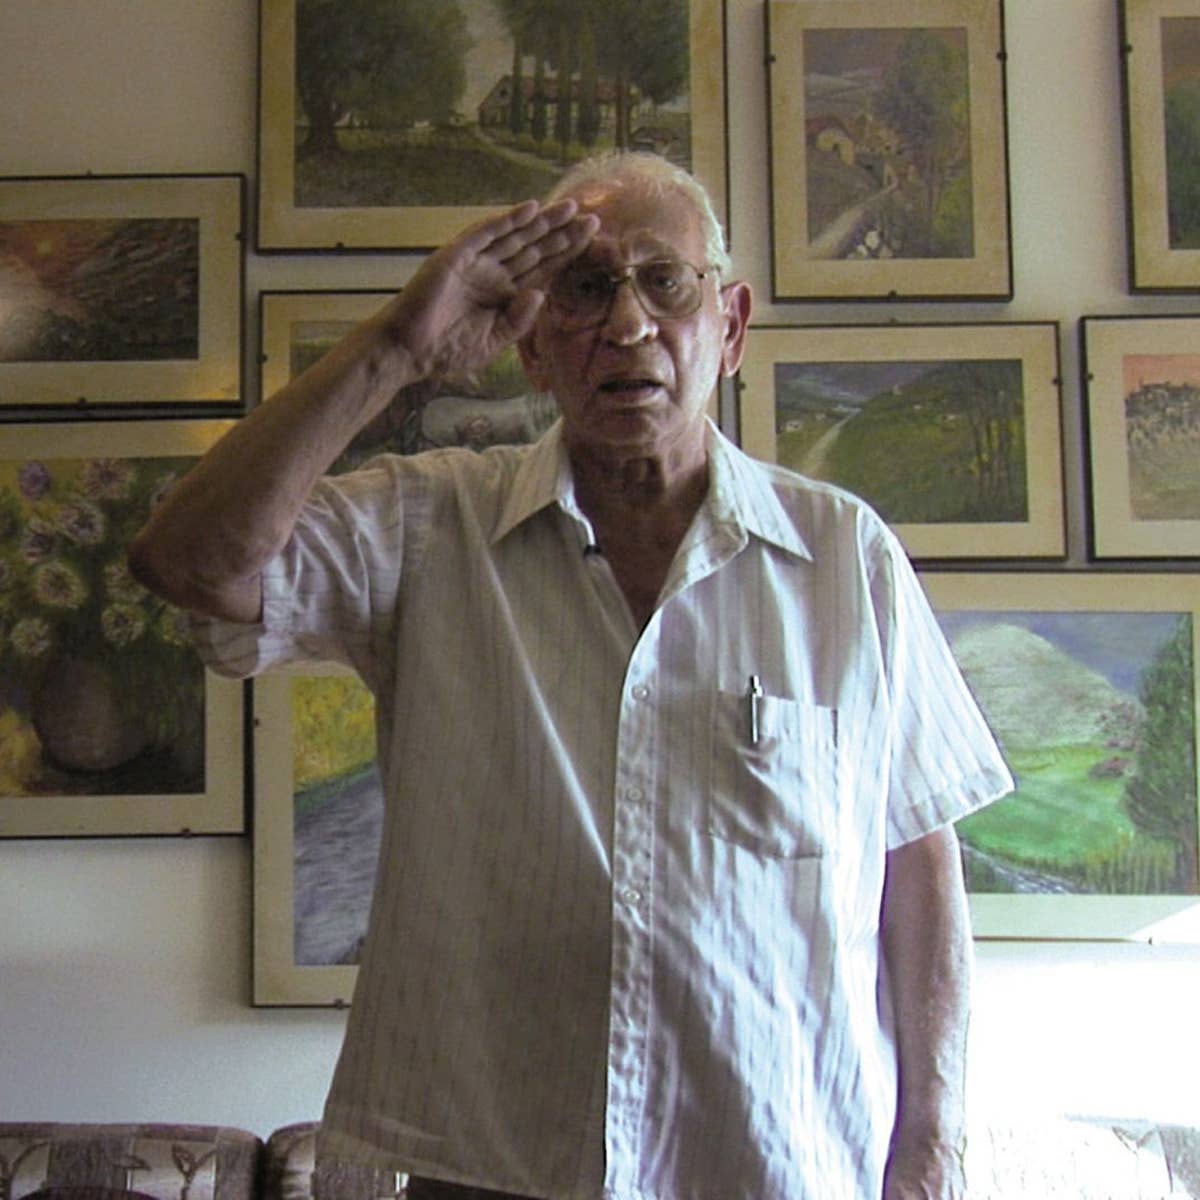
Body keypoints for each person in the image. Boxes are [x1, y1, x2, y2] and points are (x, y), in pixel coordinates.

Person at [129, 151, 1013, 1200]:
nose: (628, 325)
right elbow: (188, 563)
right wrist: (399, 349)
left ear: (729, 326)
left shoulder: (845, 557)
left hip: (781, 1161)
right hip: (494, 1169)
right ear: (535, 346)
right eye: (587, 290)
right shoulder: (429, 526)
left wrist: (933, 1149)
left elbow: (922, 881)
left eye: (664, 282)